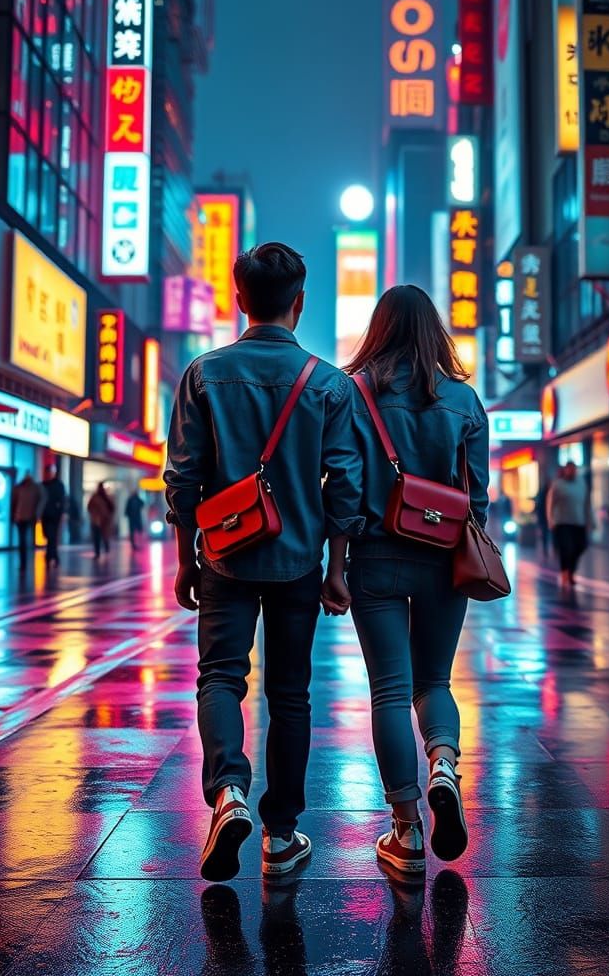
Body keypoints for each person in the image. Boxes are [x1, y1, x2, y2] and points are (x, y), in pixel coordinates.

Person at [164, 241, 362, 882]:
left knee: (220, 677)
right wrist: (337, 569)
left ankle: (228, 792)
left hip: (224, 558)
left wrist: (186, 560)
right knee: (290, 694)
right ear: (299, 303)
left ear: (239, 300)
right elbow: (345, 484)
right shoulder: (328, 383)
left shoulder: (203, 374)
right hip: (299, 561)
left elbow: (183, 479)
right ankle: (281, 834)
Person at [324, 283, 490, 876]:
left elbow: (343, 483)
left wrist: (335, 562)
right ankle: (443, 764)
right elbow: (477, 496)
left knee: (390, 692)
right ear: (434, 331)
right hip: (444, 558)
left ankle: (407, 830)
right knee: (434, 680)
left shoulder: (355, 392)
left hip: (376, 557)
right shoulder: (464, 400)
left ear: (380, 328)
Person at [10, 471, 44, 572]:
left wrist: (37, 513)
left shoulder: (35, 488)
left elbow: (42, 500)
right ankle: (23, 562)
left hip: (30, 517)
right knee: (22, 541)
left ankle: (27, 562)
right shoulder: (19, 487)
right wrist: (13, 516)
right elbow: (13, 503)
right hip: (20, 517)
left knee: (27, 540)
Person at [40, 464, 67, 567]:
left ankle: (50, 556)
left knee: (52, 536)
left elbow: (62, 500)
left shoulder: (58, 485)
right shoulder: (43, 485)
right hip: (45, 514)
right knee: (48, 535)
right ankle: (54, 555)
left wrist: (62, 513)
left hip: (55, 515)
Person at [87, 482, 116, 560]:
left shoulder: (100, 497)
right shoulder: (102, 497)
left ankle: (101, 551)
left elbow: (112, 508)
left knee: (100, 536)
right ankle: (101, 551)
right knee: (100, 536)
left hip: (101, 520)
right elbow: (89, 507)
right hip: (99, 520)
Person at [534, 481, 551, 555]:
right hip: (544, 517)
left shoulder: (542, 494)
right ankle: (546, 549)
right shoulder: (544, 495)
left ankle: (546, 549)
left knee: (545, 534)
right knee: (545, 534)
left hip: (545, 517)